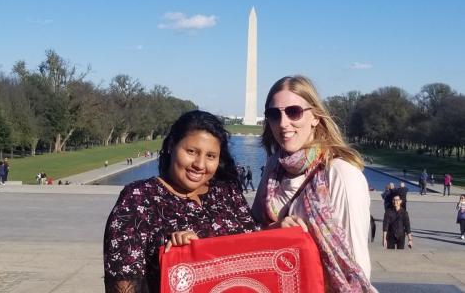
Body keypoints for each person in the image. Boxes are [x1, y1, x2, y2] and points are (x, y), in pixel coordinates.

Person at [103, 110, 258, 292]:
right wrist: (181, 256)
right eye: (191, 151)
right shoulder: (138, 198)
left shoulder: (227, 191)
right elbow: (123, 281)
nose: (200, 165)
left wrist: (280, 228)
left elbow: (252, 249)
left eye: (210, 156)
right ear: (171, 145)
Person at [252, 75, 375, 291]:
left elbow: (354, 265)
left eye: (294, 112)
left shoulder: (340, 174)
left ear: (315, 117)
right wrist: (274, 230)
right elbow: (251, 230)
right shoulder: (274, 167)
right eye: (274, 114)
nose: (283, 123)